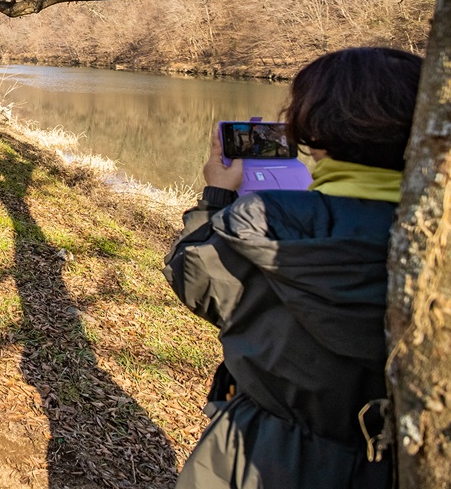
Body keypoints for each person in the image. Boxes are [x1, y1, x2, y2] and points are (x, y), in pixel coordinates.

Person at [164, 46, 422, 489]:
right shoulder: (431, 241)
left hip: (260, 453)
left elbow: (195, 277)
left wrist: (218, 196)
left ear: (313, 130)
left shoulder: (268, 219)